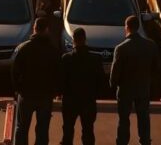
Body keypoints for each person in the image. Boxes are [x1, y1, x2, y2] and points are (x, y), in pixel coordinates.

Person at [110, 15, 160, 145]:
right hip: (143, 87)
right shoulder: (150, 45)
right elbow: (156, 68)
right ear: (138, 27)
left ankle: (122, 141)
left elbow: (115, 71)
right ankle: (145, 140)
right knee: (143, 117)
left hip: (125, 88)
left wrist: (113, 85)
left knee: (124, 119)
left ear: (127, 27)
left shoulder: (121, 48)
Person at [12, 16, 60, 145]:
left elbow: (15, 72)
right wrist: (54, 91)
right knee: (42, 130)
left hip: (26, 94)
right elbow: (57, 74)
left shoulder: (24, 49)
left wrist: (18, 89)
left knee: (22, 128)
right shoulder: (53, 51)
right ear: (47, 30)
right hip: (45, 96)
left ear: (34, 29)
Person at [60, 27, 105, 145]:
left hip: (70, 100)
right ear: (85, 39)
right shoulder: (95, 59)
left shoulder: (66, 59)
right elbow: (101, 80)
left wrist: (62, 93)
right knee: (88, 131)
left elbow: (61, 80)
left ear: (73, 40)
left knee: (68, 131)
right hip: (88, 100)